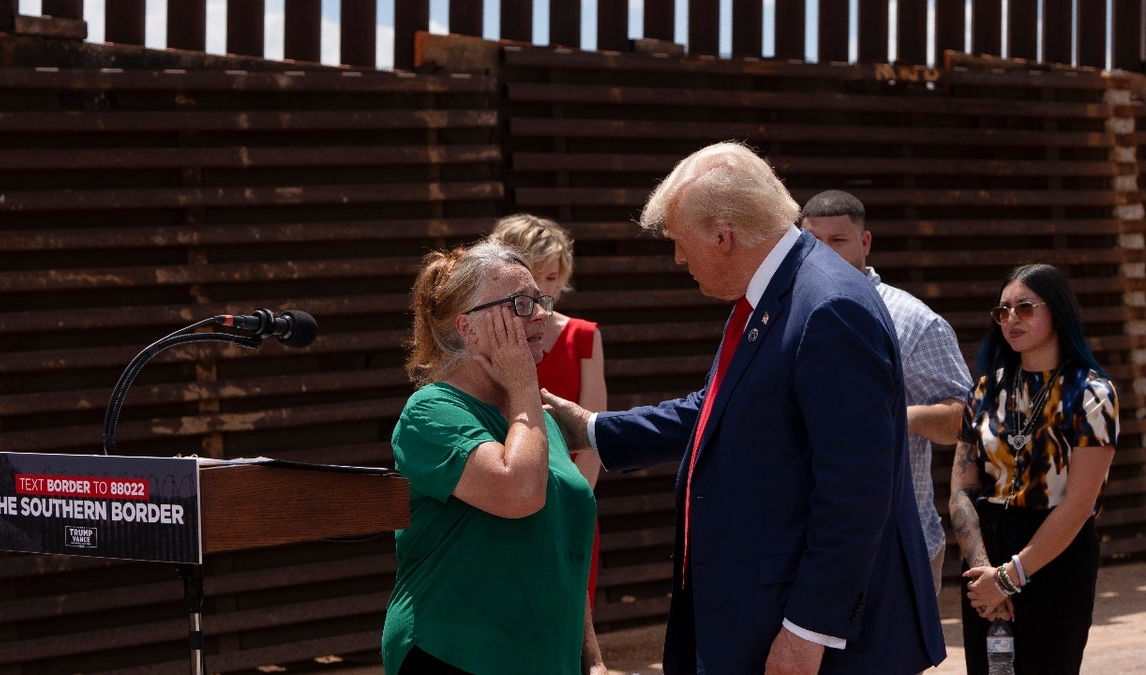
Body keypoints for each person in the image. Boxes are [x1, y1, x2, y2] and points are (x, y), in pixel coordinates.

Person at [542, 141, 945, 674]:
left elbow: (856, 491)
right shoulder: (780, 290)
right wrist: (593, 429)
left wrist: (808, 632)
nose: (679, 259)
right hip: (761, 612)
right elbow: (716, 409)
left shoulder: (827, 307)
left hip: (813, 639)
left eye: (681, 243)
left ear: (722, 236)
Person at [381, 239, 606, 675]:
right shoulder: (431, 412)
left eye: (541, 300)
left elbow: (563, 546)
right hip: (455, 657)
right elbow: (518, 493)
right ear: (467, 327)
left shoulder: (534, 419)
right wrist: (524, 385)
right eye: (521, 304)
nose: (542, 314)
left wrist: (591, 659)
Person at [949, 263, 1118, 675]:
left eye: (1024, 307)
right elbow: (960, 491)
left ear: (1057, 311)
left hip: (1055, 553)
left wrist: (1007, 579)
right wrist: (982, 576)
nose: (1010, 319)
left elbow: (1079, 505)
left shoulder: (1092, 393)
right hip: (984, 556)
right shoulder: (986, 390)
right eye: (1003, 311)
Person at [801, 189, 973, 594]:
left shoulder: (913, 322)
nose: (822, 253)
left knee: (894, 661)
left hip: (893, 545)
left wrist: (896, 419)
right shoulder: (782, 314)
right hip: (803, 542)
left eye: (838, 241)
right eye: (811, 242)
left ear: (865, 243)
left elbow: (964, 418)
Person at [488, 213, 607, 608]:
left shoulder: (583, 335)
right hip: (502, 503)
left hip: (567, 503)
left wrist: (570, 505)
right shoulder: (482, 339)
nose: (540, 290)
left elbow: (590, 440)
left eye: (551, 278)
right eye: (531, 277)